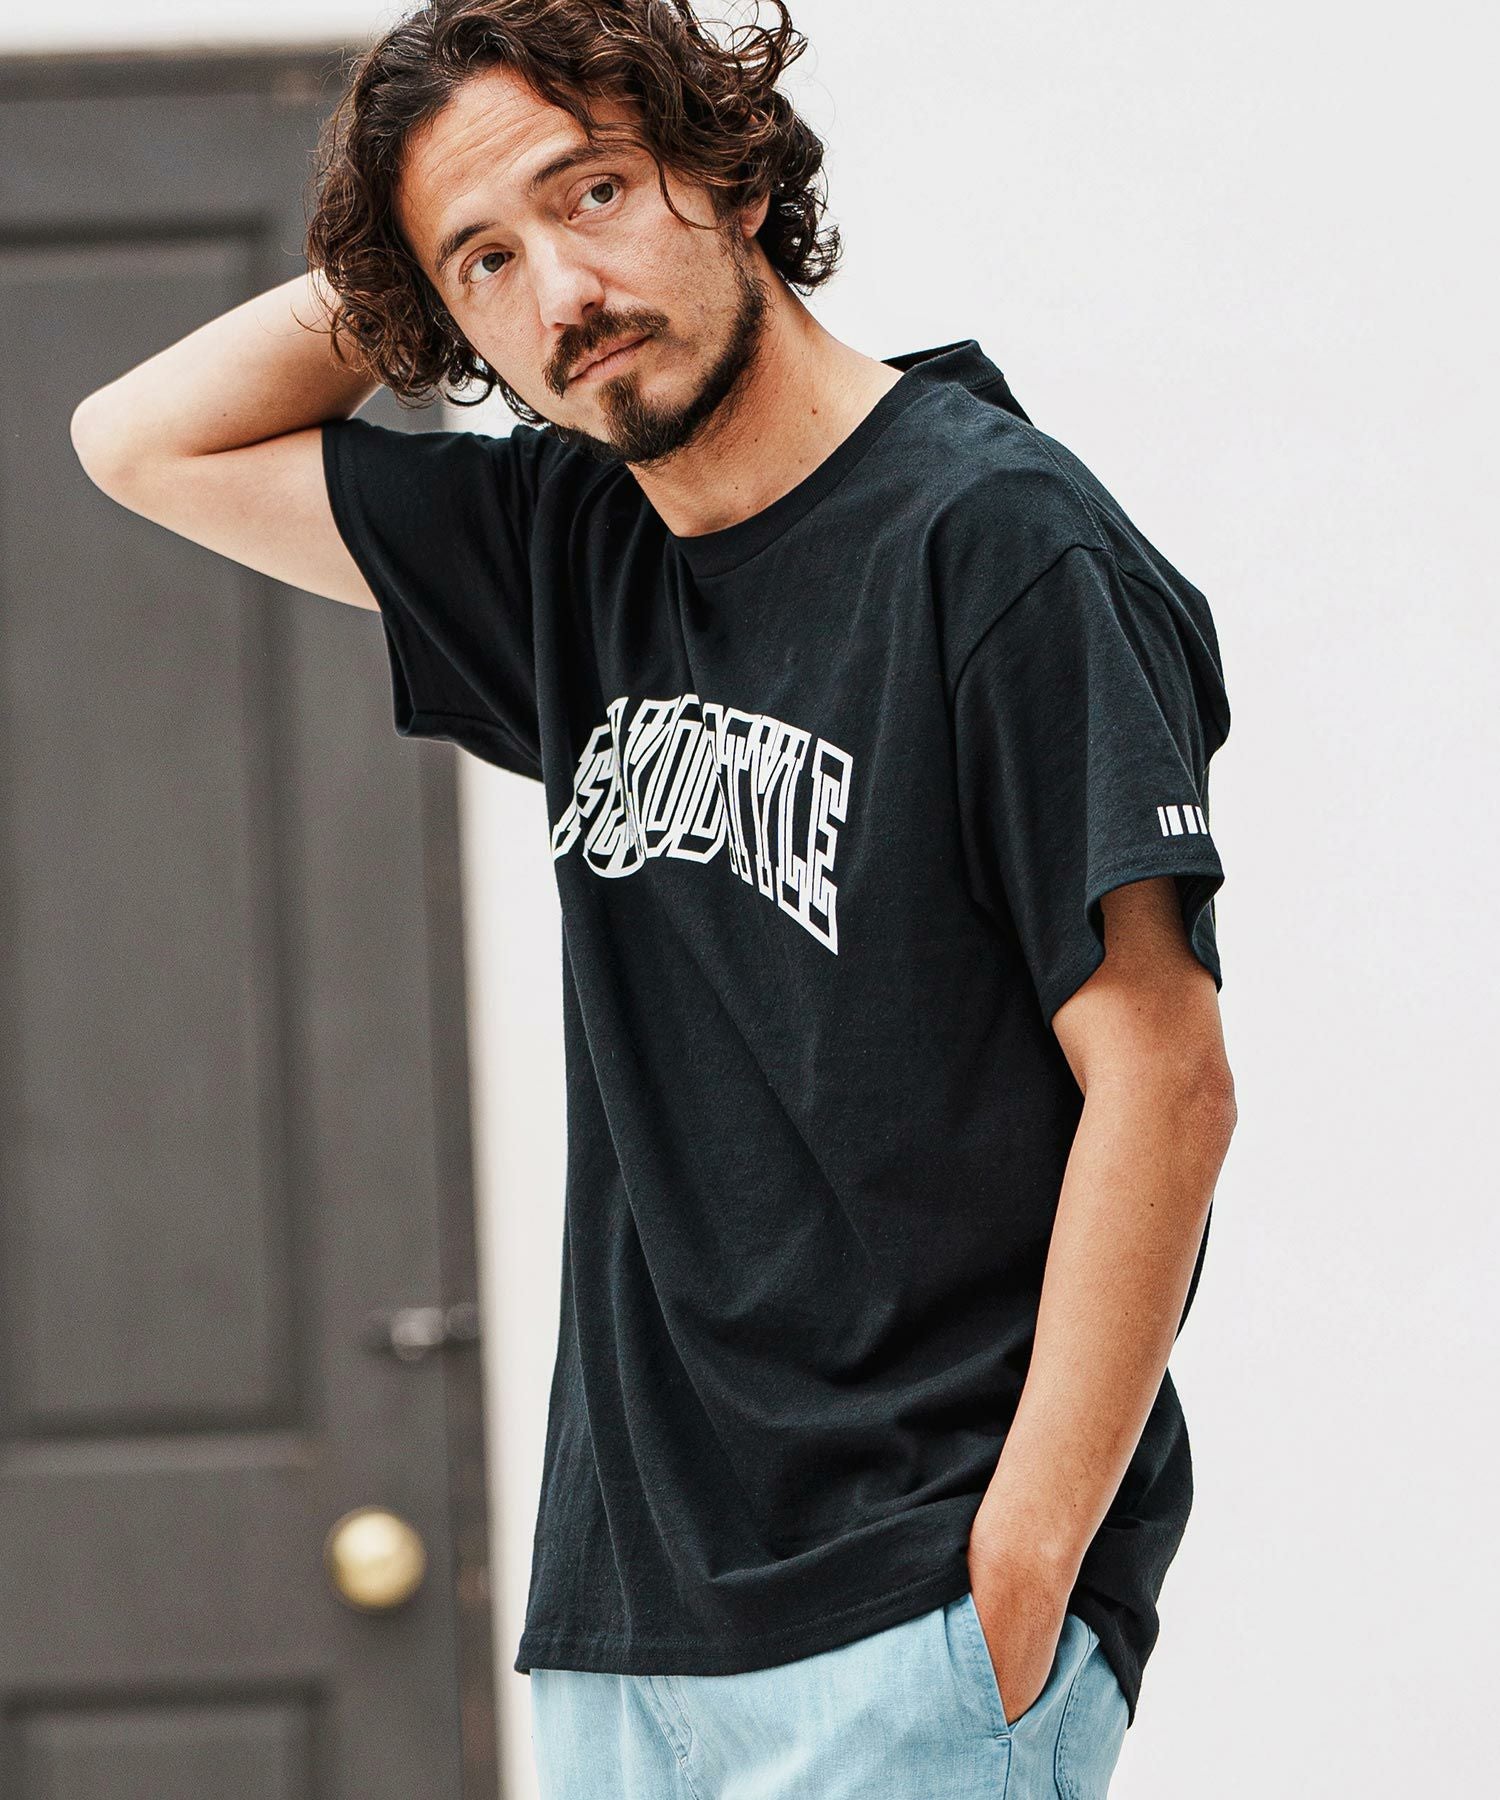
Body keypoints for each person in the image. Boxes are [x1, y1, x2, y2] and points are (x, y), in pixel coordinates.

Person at [69, 2, 1237, 1793]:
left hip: (910, 1607)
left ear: (730, 167)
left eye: (593, 190)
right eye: (487, 262)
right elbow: (141, 441)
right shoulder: (570, 543)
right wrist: (412, 262)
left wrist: (1022, 1562)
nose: (564, 291)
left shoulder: (995, 542)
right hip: (625, 1631)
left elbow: (1165, 1075)